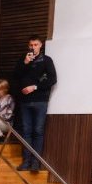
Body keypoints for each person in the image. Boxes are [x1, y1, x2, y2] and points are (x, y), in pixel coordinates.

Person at [13, 35, 58, 172]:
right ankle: (26, 161)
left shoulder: (46, 60)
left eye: (35, 45)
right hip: (25, 101)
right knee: (26, 131)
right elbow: (15, 76)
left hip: (40, 100)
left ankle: (36, 162)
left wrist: (35, 87)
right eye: (31, 45)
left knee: (38, 131)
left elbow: (52, 79)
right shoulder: (23, 59)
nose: (33, 47)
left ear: (40, 46)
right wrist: (25, 63)